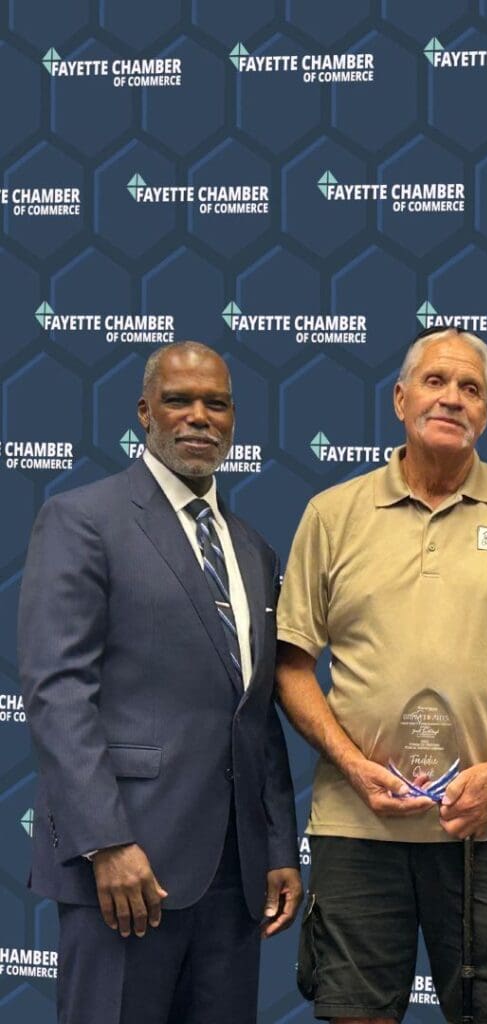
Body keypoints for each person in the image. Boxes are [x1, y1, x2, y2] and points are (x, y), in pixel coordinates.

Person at [275, 327, 487, 1024]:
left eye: (471, 388)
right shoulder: (332, 513)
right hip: (357, 826)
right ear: (400, 398)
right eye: (436, 382)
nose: (452, 398)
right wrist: (353, 765)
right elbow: (291, 664)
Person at [18, 341, 302, 1024]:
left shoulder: (253, 549)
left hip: (234, 880)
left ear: (233, 419)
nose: (199, 416)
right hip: (125, 870)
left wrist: (276, 847)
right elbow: (58, 691)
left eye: (217, 404)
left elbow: (254, 714)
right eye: (179, 400)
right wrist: (106, 842)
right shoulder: (82, 519)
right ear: (145, 412)